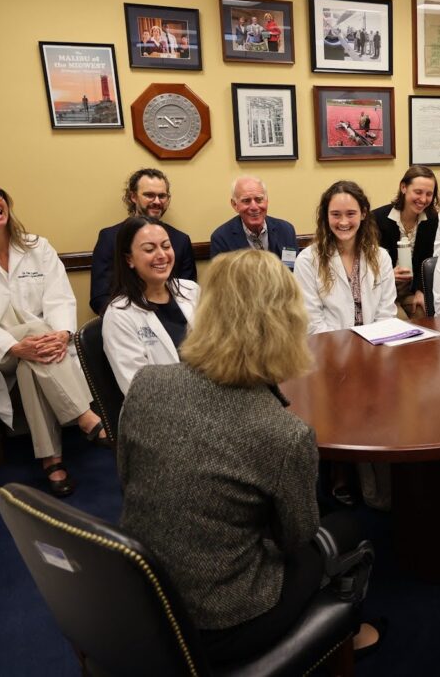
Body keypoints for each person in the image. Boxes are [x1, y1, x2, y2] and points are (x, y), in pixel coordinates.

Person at [117, 250, 381, 665]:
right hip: (225, 626)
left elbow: (128, 478)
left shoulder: (147, 383)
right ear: (288, 323)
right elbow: (296, 538)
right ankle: (346, 629)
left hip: (142, 595)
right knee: (346, 526)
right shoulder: (284, 434)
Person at [0, 178, 108, 498]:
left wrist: (62, 332)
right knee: (31, 344)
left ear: (5, 199)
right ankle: (85, 417)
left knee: (30, 362)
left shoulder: (37, 246)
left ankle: (52, 461)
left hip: (38, 349)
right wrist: (12, 345)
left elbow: (59, 297)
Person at [102, 216, 199, 394]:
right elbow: (137, 390)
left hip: (209, 397)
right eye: (149, 249)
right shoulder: (119, 315)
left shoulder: (191, 291)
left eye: (166, 246)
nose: (161, 255)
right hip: (161, 412)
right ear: (129, 259)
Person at [90, 168, 195, 315]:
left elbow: (187, 293)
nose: (157, 201)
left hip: (174, 321)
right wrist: (138, 319)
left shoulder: (180, 240)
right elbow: (100, 298)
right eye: (149, 195)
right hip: (126, 322)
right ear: (133, 196)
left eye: (162, 196)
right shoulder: (110, 238)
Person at [295, 181, 396, 334]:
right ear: (326, 216)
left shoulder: (381, 257)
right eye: (336, 214)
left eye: (350, 214)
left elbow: (386, 314)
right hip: (328, 349)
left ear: (363, 213)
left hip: (375, 346)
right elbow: (312, 322)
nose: (343, 222)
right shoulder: (307, 260)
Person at [373, 166, 439, 319]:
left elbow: (426, 259)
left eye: (429, 194)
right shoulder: (377, 218)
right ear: (403, 187)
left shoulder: (431, 219)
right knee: (402, 323)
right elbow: (369, 265)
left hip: (410, 290)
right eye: (418, 192)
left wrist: (420, 291)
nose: (423, 199)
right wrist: (389, 275)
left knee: (423, 314)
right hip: (383, 292)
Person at [209, 176, 298, 265]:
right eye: (246, 201)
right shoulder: (221, 238)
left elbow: (291, 269)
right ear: (235, 205)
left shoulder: (286, 230)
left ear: (267, 201)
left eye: (259, 199)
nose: (254, 207)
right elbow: (223, 277)